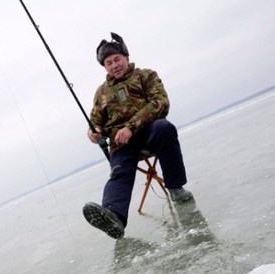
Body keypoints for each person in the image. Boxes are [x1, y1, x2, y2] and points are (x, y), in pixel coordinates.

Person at [83, 32, 193, 239]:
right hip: (121, 143)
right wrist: (94, 132)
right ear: (104, 67)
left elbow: (161, 103)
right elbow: (96, 120)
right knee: (120, 172)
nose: (114, 65)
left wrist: (131, 127)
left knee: (164, 127)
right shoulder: (101, 92)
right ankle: (114, 216)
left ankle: (176, 188)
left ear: (127, 57)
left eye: (117, 59)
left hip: (149, 133)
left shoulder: (146, 75)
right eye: (108, 63)